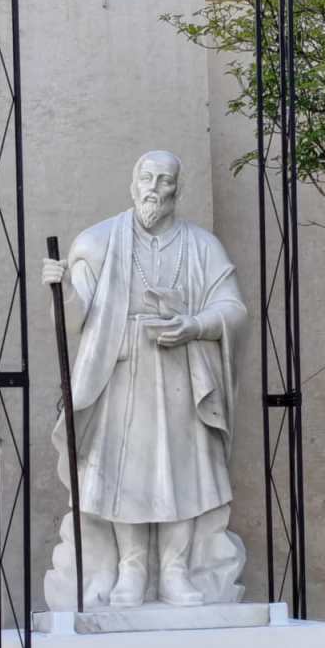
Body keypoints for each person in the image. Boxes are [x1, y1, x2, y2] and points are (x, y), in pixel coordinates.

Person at [42, 150, 247, 607]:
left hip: (182, 372)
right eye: (147, 178)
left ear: (178, 188)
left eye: (165, 180)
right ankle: (131, 570)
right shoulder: (97, 242)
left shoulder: (201, 246)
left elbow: (233, 310)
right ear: (133, 184)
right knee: (121, 472)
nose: (154, 187)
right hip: (121, 371)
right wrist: (63, 288)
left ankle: (175, 570)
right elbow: (80, 311)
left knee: (183, 471)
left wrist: (195, 325)